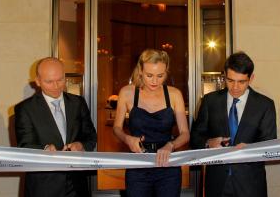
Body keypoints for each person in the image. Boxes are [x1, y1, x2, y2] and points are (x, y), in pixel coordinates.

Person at [190, 51, 277, 197]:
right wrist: (208, 143)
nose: (235, 87)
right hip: (216, 183)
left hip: (251, 185)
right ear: (224, 75)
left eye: (241, 81)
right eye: (230, 80)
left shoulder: (265, 105)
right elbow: (195, 137)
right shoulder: (210, 101)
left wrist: (250, 149)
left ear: (251, 78)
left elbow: (270, 144)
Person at [14, 57, 97, 197]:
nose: (56, 86)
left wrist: (81, 145)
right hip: (44, 186)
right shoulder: (25, 109)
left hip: (77, 184)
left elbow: (91, 136)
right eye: (49, 81)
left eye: (60, 80)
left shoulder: (78, 103)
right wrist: (44, 149)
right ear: (38, 81)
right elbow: (25, 145)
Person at [113, 49, 190, 197]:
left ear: (166, 72)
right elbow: (117, 128)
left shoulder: (174, 94)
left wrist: (171, 145)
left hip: (168, 165)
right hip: (138, 166)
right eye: (149, 75)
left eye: (160, 76)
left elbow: (185, 133)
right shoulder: (127, 93)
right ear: (140, 71)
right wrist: (127, 139)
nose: (155, 81)